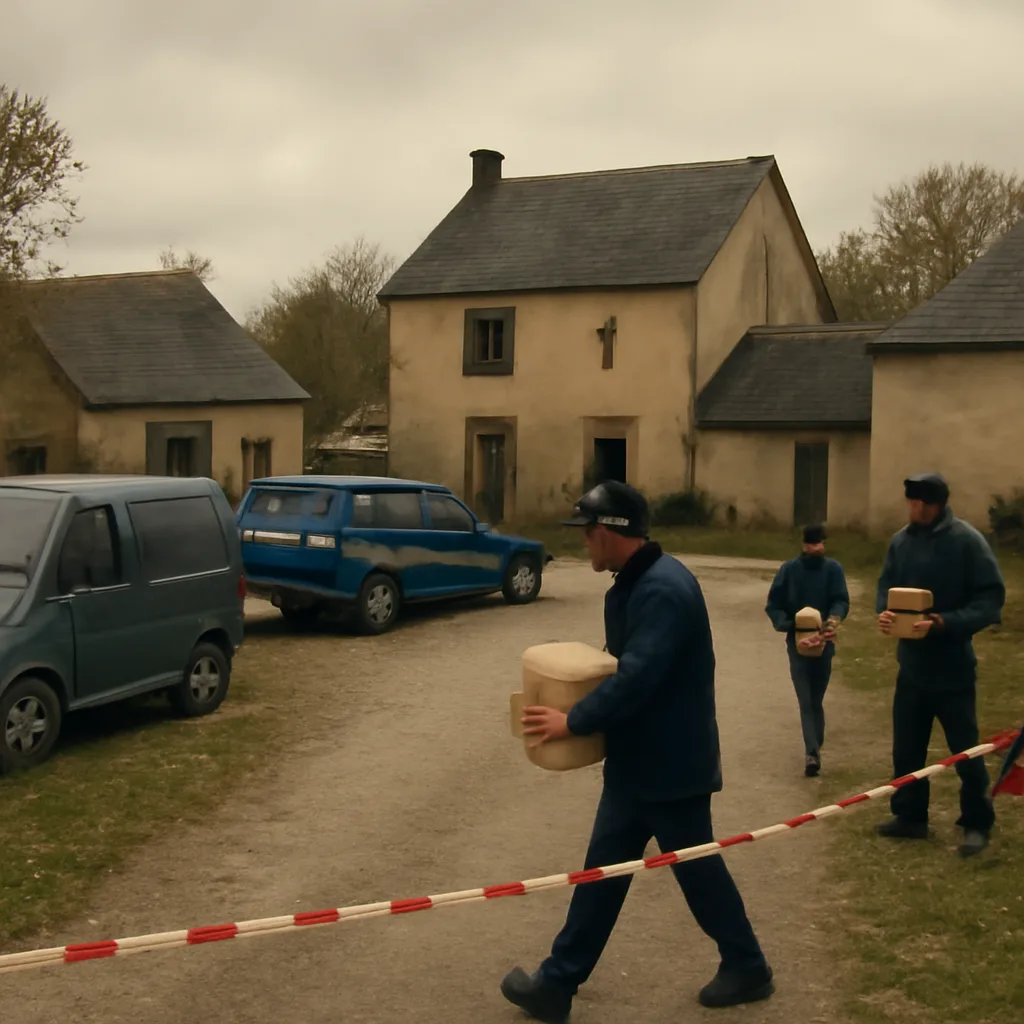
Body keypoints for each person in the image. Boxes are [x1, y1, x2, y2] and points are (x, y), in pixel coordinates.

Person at [500, 481, 773, 1024]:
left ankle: (748, 966)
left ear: (607, 533)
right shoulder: (638, 581)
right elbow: (620, 665)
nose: (583, 545)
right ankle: (557, 983)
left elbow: (638, 679)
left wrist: (571, 720)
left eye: (586, 534)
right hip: (641, 763)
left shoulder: (662, 590)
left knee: (696, 871)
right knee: (603, 873)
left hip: (670, 767)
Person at [875, 472, 1006, 858]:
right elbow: (886, 587)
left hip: (952, 669)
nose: (912, 509)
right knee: (907, 750)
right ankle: (910, 817)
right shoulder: (901, 542)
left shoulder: (967, 542)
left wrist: (946, 622)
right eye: (909, 502)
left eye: (918, 503)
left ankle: (976, 824)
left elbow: (990, 599)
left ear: (935, 505)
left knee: (966, 752)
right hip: (912, 667)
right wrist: (885, 613)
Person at [764, 524, 850, 777]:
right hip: (798, 643)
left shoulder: (833, 569)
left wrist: (833, 619)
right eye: (812, 544)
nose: (816, 548)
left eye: (820, 543)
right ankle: (812, 752)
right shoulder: (789, 571)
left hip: (824, 640)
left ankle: (815, 743)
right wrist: (789, 625)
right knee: (805, 698)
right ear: (804, 544)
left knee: (816, 697)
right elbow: (774, 605)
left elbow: (841, 599)